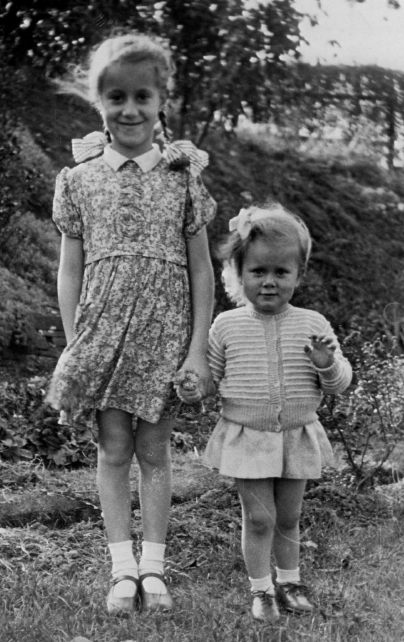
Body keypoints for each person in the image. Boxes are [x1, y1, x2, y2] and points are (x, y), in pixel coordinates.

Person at [46, 32, 216, 615]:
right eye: (116, 97)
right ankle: (122, 569)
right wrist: (76, 343)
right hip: (102, 333)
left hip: (163, 337)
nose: (129, 109)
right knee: (112, 449)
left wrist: (196, 349)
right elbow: (70, 270)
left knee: (155, 451)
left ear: (161, 99)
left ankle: (155, 566)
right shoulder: (79, 178)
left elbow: (202, 274)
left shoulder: (182, 177)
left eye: (142, 96)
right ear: (98, 102)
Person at [203, 203, 352, 623]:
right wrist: (193, 384)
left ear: (298, 276)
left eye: (281, 273)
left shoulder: (312, 324)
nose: (269, 282)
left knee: (289, 515)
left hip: (296, 434)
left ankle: (290, 580)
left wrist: (326, 363)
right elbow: (210, 379)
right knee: (261, 517)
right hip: (246, 435)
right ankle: (261, 589)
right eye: (258, 272)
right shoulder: (226, 326)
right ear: (237, 274)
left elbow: (339, 383)